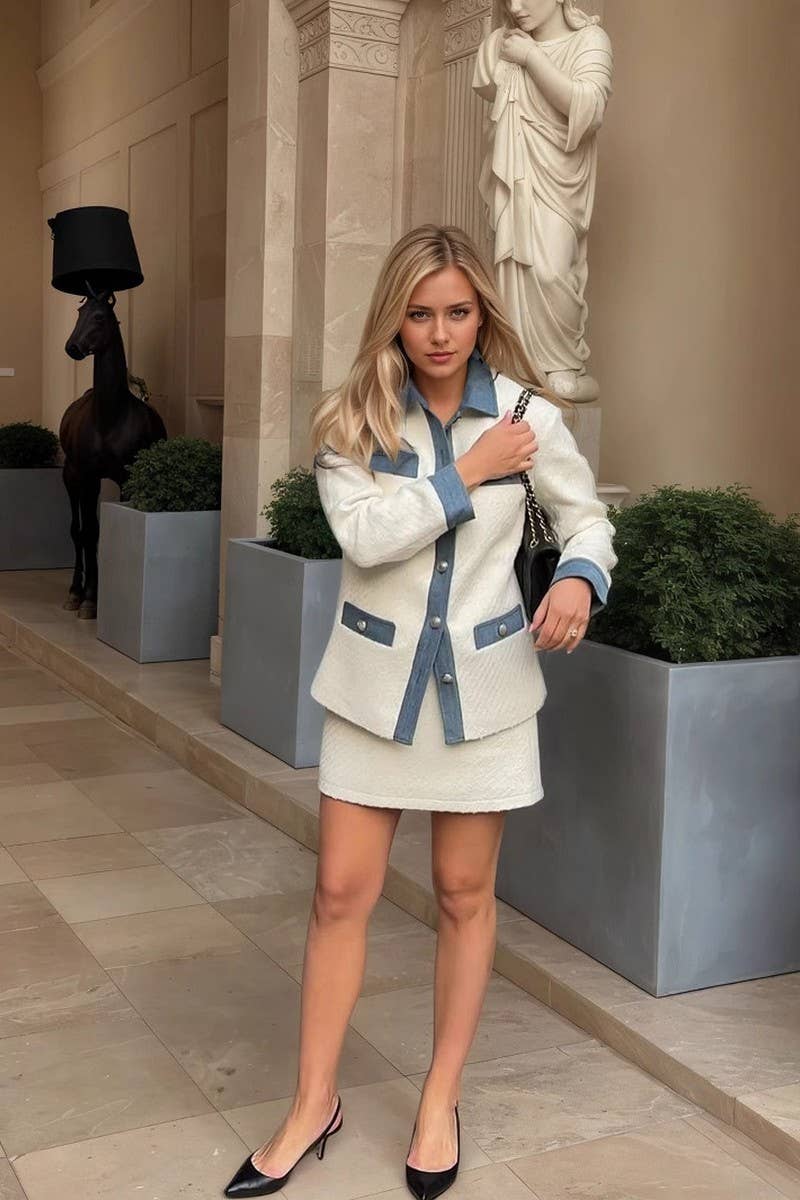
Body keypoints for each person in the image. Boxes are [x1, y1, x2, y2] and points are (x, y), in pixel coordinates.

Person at [223, 224, 616, 1200]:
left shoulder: (527, 415)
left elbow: (587, 520)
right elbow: (366, 537)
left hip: (486, 694)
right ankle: (312, 1102)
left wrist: (579, 577)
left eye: (457, 312)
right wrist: (469, 472)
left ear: (481, 314)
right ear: (393, 318)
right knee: (337, 896)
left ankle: (439, 1100)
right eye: (419, 313)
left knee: (461, 895)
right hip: (372, 692)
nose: (439, 333)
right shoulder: (354, 419)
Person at [473, 0, 613, 401]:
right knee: (511, 267)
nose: (515, 7)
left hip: (560, 184)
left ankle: (562, 361)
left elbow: (589, 107)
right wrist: (517, 52)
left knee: (551, 271)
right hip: (516, 179)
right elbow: (486, 79)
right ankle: (515, 363)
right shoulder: (499, 44)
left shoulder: (590, 41)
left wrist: (532, 58)